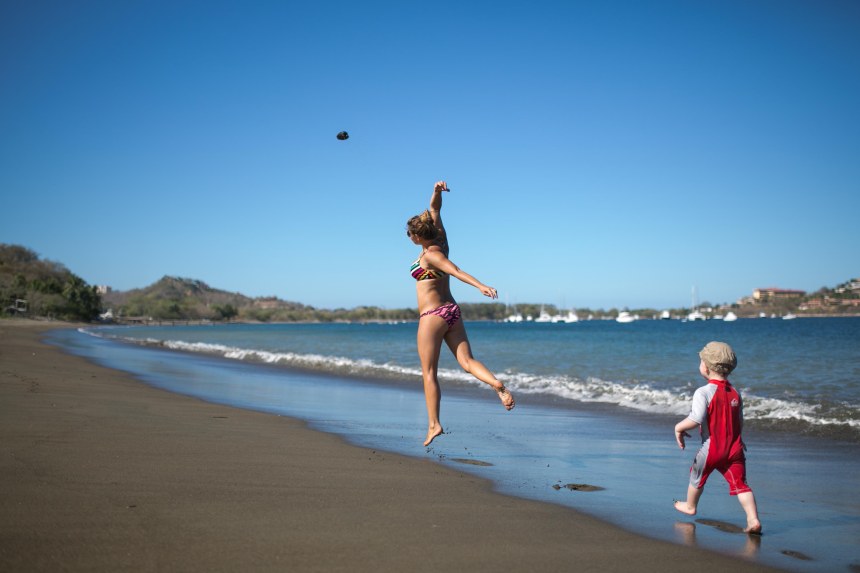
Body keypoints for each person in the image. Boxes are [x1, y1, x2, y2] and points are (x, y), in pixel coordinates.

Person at [406, 180, 515, 446]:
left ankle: (434, 425)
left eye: (410, 234)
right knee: (467, 362)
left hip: (432, 316)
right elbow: (435, 209)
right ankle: (496, 384)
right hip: (452, 311)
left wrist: (480, 285)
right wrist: (436, 191)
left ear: (418, 236)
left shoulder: (431, 255)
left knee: (429, 373)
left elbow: (454, 270)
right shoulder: (440, 239)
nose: (409, 238)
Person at [673, 341, 762, 535]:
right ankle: (753, 519)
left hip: (712, 448)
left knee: (696, 475)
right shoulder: (736, 393)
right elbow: (740, 420)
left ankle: (690, 505)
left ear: (705, 366)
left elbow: (696, 419)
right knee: (741, 485)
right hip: (735, 447)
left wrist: (678, 427)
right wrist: (740, 440)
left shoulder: (703, 392)